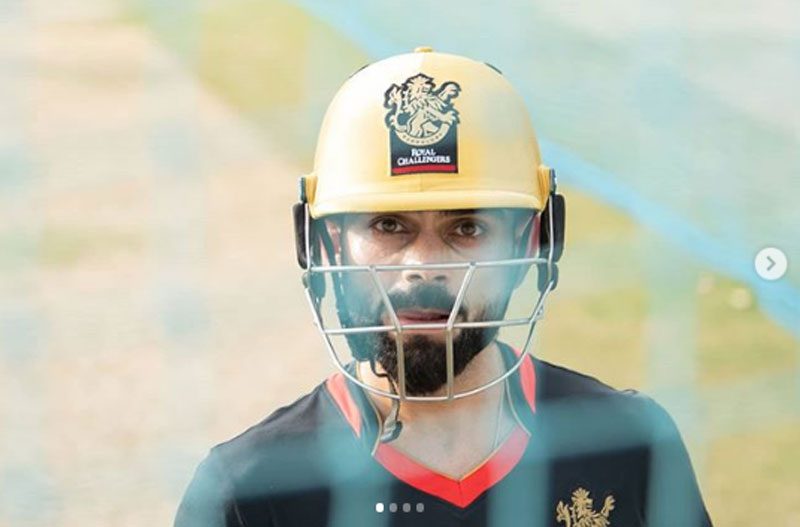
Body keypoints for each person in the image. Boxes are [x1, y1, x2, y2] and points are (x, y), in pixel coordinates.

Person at [175, 47, 712, 527]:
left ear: (530, 241)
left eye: (467, 228)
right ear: (329, 242)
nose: (424, 266)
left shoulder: (627, 442)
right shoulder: (247, 493)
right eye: (388, 225)